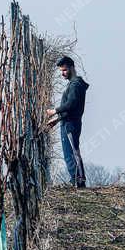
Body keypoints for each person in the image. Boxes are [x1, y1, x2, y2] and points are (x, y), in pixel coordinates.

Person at [46, 56, 89, 187]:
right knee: (69, 154)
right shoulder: (73, 84)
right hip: (67, 122)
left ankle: (79, 180)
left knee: (73, 153)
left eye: (64, 70)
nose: (62, 73)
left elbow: (71, 104)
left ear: (71, 68)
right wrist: (57, 120)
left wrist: (55, 111)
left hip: (71, 124)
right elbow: (70, 109)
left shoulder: (76, 85)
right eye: (61, 71)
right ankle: (75, 179)